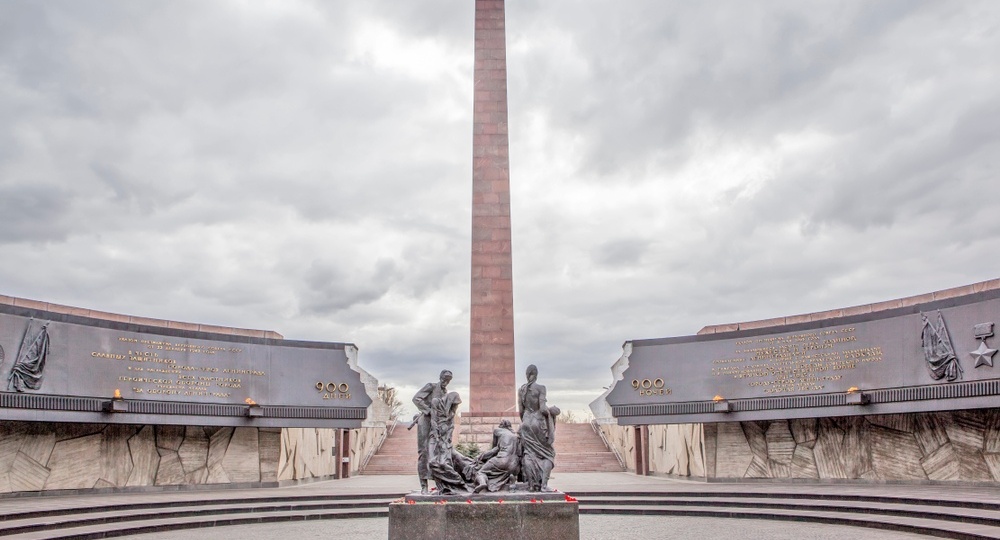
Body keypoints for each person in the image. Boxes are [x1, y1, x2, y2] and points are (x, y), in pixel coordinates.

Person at [518, 364, 559, 492]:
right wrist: (552, 411)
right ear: (536, 375)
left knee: (528, 454)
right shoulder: (541, 388)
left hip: (526, 422)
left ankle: (531, 485)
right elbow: (542, 409)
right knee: (548, 453)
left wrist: (525, 422)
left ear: (527, 374)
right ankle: (544, 485)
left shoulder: (521, 389)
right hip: (537, 422)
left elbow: (520, 410)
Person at [413, 370, 452, 494]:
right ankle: (424, 485)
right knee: (424, 452)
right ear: (440, 377)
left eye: (449, 380)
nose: (446, 382)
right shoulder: (431, 386)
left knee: (437, 452)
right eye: (445, 378)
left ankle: (439, 483)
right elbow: (416, 398)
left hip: (438, 423)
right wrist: (428, 410)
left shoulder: (445, 393)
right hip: (426, 421)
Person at [427, 391, 472, 494]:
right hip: (435, 437)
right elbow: (433, 420)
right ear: (450, 401)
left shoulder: (451, 413)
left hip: (445, 441)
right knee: (432, 462)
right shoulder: (436, 402)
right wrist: (437, 436)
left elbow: (451, 427)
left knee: (444, 463)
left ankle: (455, 485)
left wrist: (446, 442)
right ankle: (443, 486)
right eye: (454, 404)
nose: (455, 407)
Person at [473, 419, 520, 493]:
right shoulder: (515, 436)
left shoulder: (498, 431)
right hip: (514, 465)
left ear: (501, 425)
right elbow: (519, 453)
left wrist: (481, 456)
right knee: (507, 470)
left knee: (481, 472)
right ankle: (511, 481)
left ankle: (482, 483)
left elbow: (494, 449)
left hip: (502, 460)